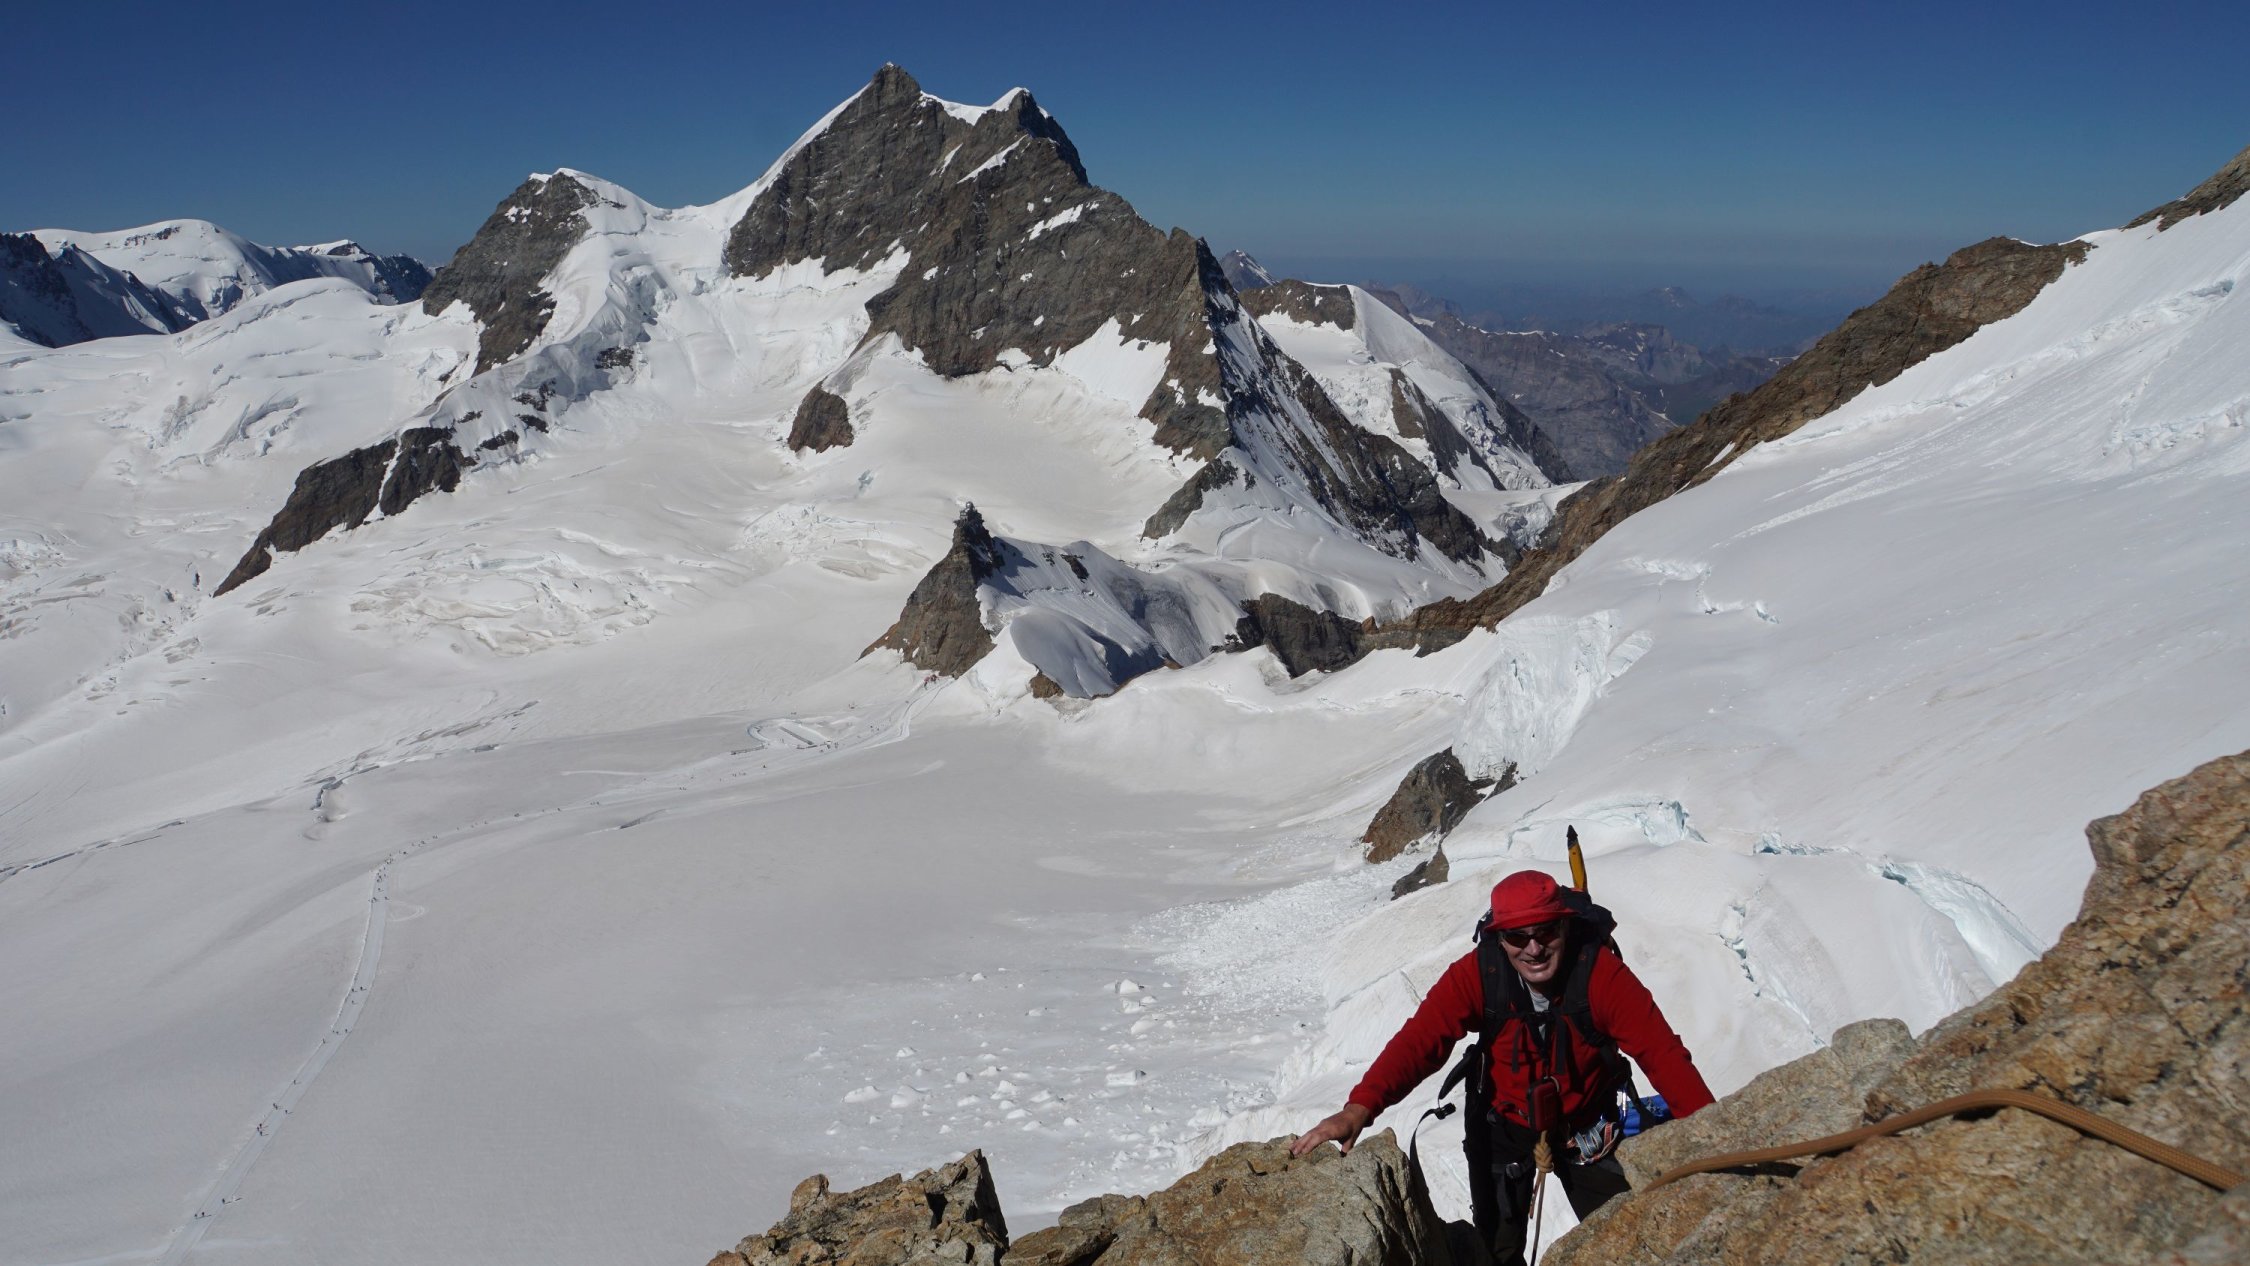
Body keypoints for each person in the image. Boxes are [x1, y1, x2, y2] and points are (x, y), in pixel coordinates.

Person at [1290, 869, 1714, 1265]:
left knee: (1623, 1239)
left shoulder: (1600, 975)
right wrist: (1359, 1108)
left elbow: (1662, 1055)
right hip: (1502, 1127)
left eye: (1545, 931)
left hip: (1587, 1126)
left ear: (1564, 926)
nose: (1534, 948)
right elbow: (1420, 1041)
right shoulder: (1480, 975)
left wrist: (1715, 1138)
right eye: (1517, 936)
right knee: (1496, 1251)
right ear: (1499, 937)